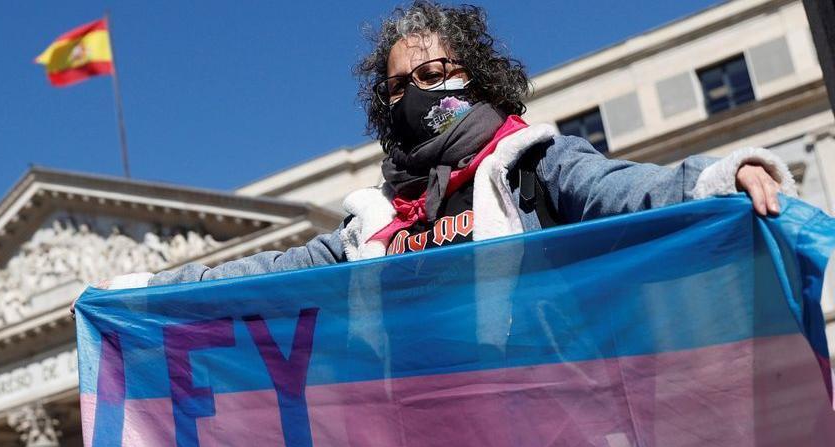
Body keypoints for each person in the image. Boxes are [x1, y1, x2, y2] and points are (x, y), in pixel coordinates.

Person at [106, 1, 794, 290]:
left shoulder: (530, 162)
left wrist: (720, 174)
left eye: (436, 75)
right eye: (401, 85)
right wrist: (143, 288)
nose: (419, 94)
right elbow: (269, 273)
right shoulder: (372, 222)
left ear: (478, 77)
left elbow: (622, 191)